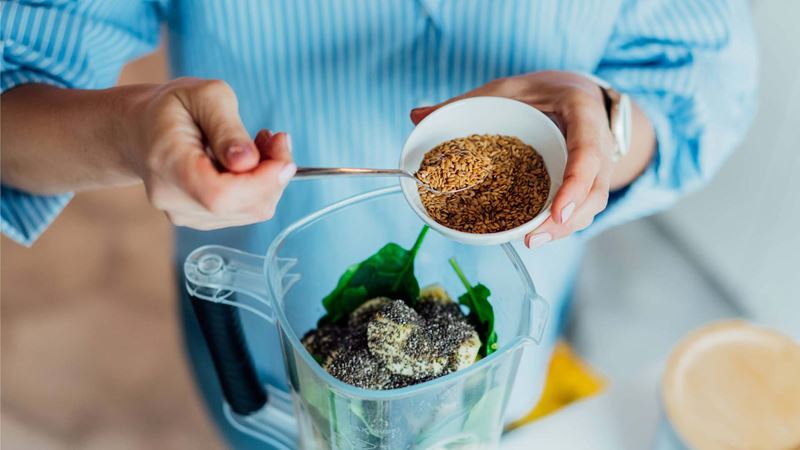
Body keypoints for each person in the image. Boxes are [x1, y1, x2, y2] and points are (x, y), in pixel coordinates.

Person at [1, 1, 757, 448]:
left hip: (508, 353)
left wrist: (606, 132)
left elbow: (699, 84)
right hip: (264, 339)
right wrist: (127, 131)